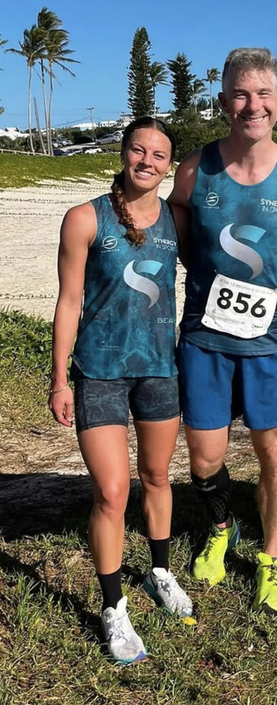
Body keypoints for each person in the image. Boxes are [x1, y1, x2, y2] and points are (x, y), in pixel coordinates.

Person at [169, 47, 277, 615]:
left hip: (272, 340)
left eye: (263, 94)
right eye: (241, 94)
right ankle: (222, 527)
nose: (252, 105)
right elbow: (171, 227)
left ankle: (270, 557)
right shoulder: (195, 167)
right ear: (223, 103)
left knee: (274, 450)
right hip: (205, 335)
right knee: (203, 456)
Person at [49, 117, 191, 664]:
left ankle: (160, 570)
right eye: (139, 150)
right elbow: (68, 301)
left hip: (161, 369)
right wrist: (59, 377)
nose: (147, 162)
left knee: (157, 477)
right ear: (124, 152)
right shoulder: (86, 218)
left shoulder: (178, 220)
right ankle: (113, 607)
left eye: (159, 155)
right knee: (111, 491)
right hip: (99, 370)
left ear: (168, 165)